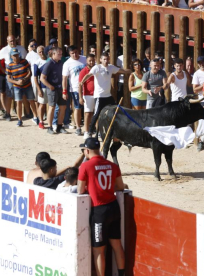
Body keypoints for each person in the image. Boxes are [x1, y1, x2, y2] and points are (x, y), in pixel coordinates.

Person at [77, 138, 126, 276]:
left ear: (86, 151)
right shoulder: (112, 165)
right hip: (114, 207)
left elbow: (80, 191)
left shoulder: (85, 166)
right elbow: (121, 186)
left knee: (99, 250)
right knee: (117, 245)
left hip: (99, 211)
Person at [80, 52, 131, 136]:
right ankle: (89, 132)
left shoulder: (111, 67)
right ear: (100, 60)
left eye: (107, 59)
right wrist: (82, 82)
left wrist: (131, 71)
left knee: (116, 111)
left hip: (108, 96)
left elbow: (122, 70)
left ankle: (116, 130)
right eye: (104, 59)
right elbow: (88, 75)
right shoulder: (97, 67)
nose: (106, 61)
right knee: (96, 114)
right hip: (99, 96)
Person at [0, 35, 27, 121]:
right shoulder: (5, 49)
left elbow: (25, 59)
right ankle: (8, 113)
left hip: (20, 74)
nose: (12, 43)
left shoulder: (21, 49)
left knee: (23, 94)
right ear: (7, 41)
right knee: (9, 95)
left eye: (13, 41)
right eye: (10, 41)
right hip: (10, 74)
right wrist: (2, 69)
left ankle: (26, 113)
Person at [6, 48, 39, 127]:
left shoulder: (24, 61)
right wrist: (17, 82)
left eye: (17, 55)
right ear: (11, 56)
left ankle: (35, 117)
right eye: (14, 55)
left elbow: (29, 72)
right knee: (18, 102)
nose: (16, 57)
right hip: (17, 86)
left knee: (31, 100)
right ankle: (19, 120)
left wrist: (24, 79)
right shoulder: (10, 65)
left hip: (27, 84)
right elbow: (8, 78)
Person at [40, 47, 68, 134]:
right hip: (52, 89)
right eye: (59, 54)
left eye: (61, 53)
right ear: (53, 54)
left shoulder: (61, 63)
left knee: (63, 107)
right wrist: (50, 86)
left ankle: (59, 126)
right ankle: (50, 127)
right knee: (52, 107)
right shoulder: (49, 63)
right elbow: (42, 78)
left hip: (61, 88)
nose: (60, 55)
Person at [62, 45, 87, 135]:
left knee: (89, 109)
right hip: (76, 88)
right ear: (69, 54)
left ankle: (90, 127)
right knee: (77, 108)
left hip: (88, 88)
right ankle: (78, 127)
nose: (75, 55)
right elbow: (64, 78)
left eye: (76, 52)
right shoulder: (67, 63)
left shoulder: (85, 59)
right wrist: (64, 91)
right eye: (72, 53)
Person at [192, 56, 204, 151]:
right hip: (202, 100)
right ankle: (200, 141)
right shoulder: (196, 74)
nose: (201, 64)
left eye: (203, 62)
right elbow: (195, 89)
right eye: (199, 62)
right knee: (202, 121)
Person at [79, 54, 96, 139]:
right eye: (90, 60)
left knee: (97, 113)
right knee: (88, 113)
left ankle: (96, 131)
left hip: (97, 94)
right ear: (86, 61)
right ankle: (86, 131)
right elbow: (80, 84)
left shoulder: (97, 69)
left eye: (93, 60)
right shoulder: (83, 71)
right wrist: (80, 97)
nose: (91, 62)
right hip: (87, 94)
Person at [33, 46, 49, 129]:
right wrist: (38, 89)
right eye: (39, 52)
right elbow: (35, 78)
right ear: (37, 53)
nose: (41, 53)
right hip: (43, 87)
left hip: (52, 86)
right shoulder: (37, 63)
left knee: (51, 105)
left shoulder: (50, 60)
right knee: (42, 104)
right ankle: (41, 121)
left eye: (42, 51)